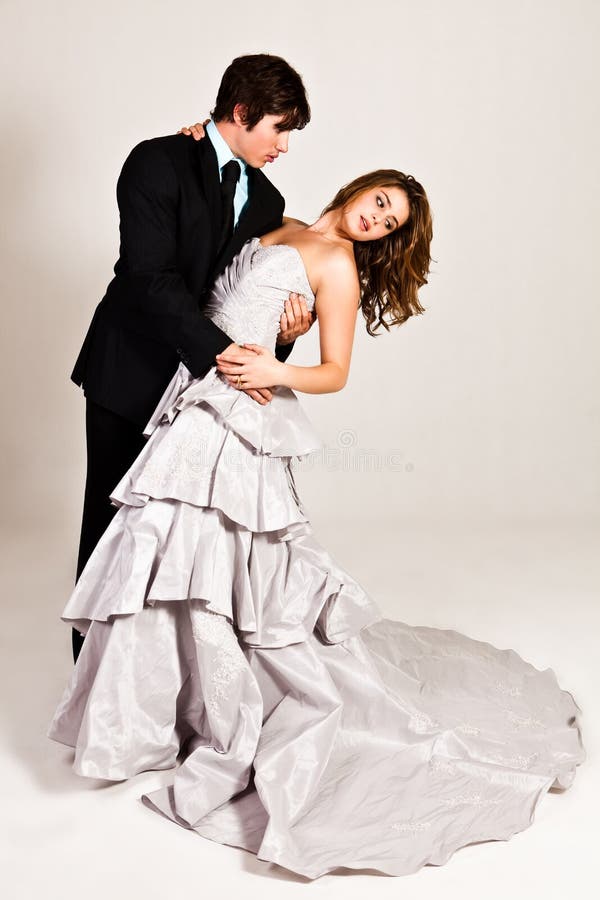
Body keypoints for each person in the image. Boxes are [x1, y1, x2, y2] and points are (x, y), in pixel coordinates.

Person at [49, 170, 584, 879]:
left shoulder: (335, 266)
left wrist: (274, 367)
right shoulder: (284, 222)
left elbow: (337, 372)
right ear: (363, 187)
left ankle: (208, 707)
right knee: (173, 548)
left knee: (214, 559)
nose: (377, 221)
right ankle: (158, 709)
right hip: (193, 392)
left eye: (390, 223)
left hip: (236, 405)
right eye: (381, 203)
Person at [69, 54, 313, 663]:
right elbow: (147, 277)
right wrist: (223, 355)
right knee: (109, 520)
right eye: (278, 127)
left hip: (201, 395)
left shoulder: (266, 199)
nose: (283, 145)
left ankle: (158, 677)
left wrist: (287, 334)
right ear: (241, 111)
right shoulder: (158, 159)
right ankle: (88, 675)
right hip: (131, 369)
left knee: (173, 537)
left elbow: (239, 297)